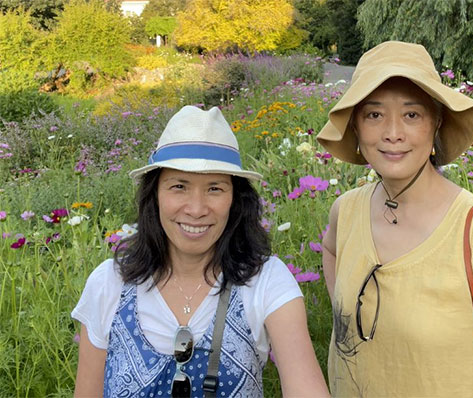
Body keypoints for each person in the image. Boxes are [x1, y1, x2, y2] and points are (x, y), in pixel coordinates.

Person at [317, 41, 473, 397]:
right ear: (354, 125)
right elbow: (332, 250)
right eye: (374, 114)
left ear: (437, 123)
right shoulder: (346, 209)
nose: (392, 132)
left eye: (412, 115)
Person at [72, 106, 330, 397]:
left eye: (214, 189)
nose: (196, 209)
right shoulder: (109, 284)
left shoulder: (266, 282)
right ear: (154, 195)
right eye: (179, 186)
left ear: (236, 199)